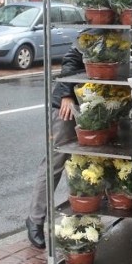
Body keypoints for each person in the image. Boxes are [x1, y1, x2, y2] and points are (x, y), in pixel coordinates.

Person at [25, 43, 85, 249]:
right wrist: (67, 93)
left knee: (84, 164)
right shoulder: (98, 24)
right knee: (55, 162)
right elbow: (72, 57)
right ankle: (35, 219)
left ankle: (81, 220)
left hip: (92, 102)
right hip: (67, 106)